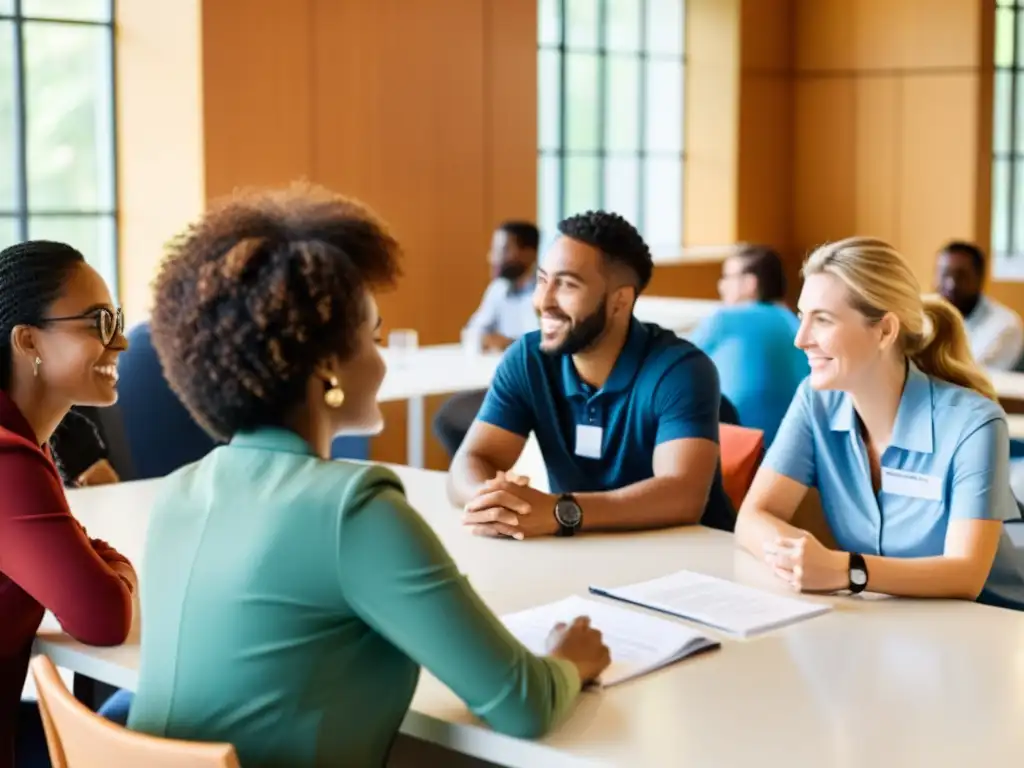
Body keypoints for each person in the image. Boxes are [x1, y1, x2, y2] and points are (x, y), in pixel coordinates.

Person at [126, 184, 609, 767]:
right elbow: (522, 702)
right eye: (373, 336)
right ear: (328, 366)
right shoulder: (354, 510)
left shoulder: (180, 491)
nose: (381, 359)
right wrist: (571, 658)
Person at [735, 237, 1024, 610]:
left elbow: (966, 575)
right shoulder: (815, 400)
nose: (800, 338)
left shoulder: (974, 423)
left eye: (822, 319)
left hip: (996, 623)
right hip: (890, 619)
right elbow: (754, 517)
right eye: (802, 316)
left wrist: (846, 570)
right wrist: (797, 558)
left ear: (885, 331)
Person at [447, 210, 734, 538]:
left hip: (690, 563)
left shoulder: (681, 369)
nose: (543, 301)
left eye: (567, 285)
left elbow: (681, 496)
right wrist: (491, 501)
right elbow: (473, 459)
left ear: (619, 301)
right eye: (542, 280)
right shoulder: (529, 358)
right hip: (583, 553)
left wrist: (562, 511)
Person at [0, 241, 136, 768]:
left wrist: (81, 548)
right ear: (28, 341)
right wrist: (120, 568)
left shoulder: (22, 448)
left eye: (117, 320)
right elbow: (102, 616)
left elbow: (65, 540)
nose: (121, 341)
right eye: (99, 322)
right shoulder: (9, 459)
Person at [432, 221, 540, 457]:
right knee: (448, 420)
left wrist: (508, 343)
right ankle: (476, 479)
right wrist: (492, 339)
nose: (493, 258)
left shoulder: (545, 292)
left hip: (531, 390)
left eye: (503, 250)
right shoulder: (498, 289)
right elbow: (472, 332)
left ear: (528, 253)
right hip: (498, 383)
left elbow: (542, 347)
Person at [690, 245, 809, 444]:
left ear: (750, 283)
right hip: (794, 443)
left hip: (741, 446)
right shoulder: (795, 323)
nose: (721, 286)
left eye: (727, 277)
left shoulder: (726, 319)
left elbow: (668, 364)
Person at [935, 240, 1024, 370]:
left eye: (961, 276)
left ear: (980, 278)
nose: (951, 284)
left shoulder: (1005, 326)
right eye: (945, 274)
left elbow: (968, 375)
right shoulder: (924, 316)